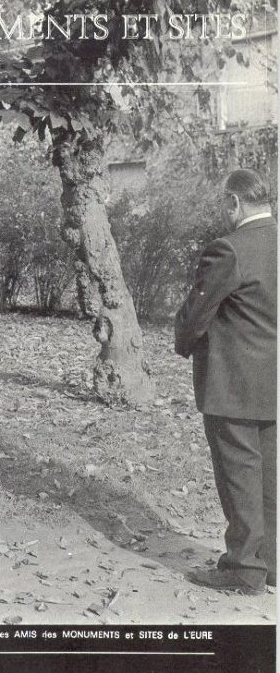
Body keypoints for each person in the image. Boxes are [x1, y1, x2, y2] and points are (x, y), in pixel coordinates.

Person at [174, 168, 276, 595]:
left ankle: (243, 569)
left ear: (235, 202)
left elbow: (196, 314)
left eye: (224, 204)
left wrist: (183, 341)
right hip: (275, 382)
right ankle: (270, 564)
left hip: (233, 383)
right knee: (272, 476)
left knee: (239, 477)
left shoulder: (229, 249)